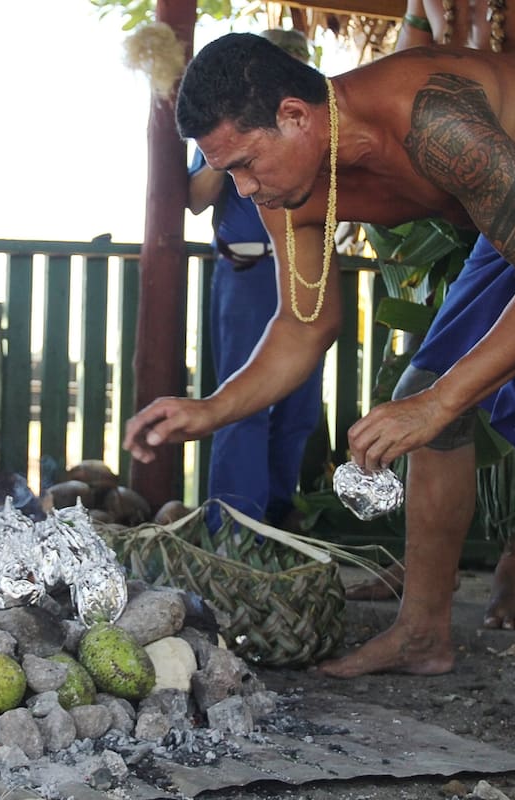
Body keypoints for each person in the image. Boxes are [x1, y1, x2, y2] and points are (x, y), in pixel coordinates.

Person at [125, 33, 515, 768]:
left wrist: (447, 402)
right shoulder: (287, 185)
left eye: (245, 165)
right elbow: (304, 323)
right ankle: (424, 631)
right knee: (424, 393)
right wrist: (212, 408)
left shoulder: (431, 120)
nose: (244, 189)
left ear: (295, 115)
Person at [346, 0, 515, 631]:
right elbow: (396, 94)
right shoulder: (427, 5)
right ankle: (423, 611)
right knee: (425, 387)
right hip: (473, 214)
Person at [188, 27, 324, 533]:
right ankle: (234, 526)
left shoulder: (311, 120)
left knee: (299, 403)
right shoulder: (226, 128)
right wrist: (236, 153)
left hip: (306, 263)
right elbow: (195, 199)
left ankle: (278, 514)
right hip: (246, 269)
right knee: (245, 398)